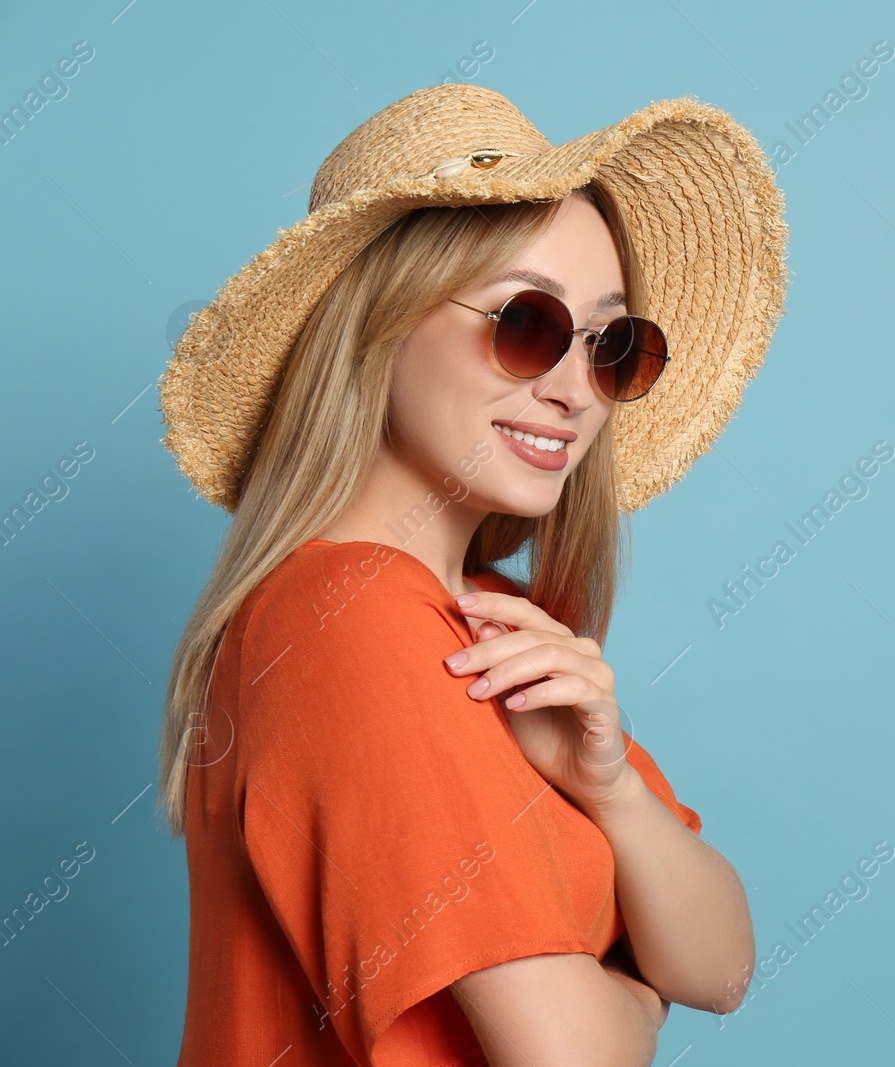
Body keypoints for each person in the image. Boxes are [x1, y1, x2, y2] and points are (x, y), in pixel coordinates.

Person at [155, 83, 788, 1066]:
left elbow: (722, 968)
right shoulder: (347, 618)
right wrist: (638, 991)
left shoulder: (495, 621)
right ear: (379, 324)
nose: (575, 390)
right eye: (526, 324)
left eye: (612, 345)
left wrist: (611, 788)